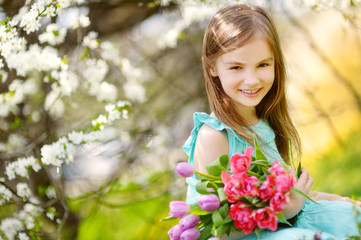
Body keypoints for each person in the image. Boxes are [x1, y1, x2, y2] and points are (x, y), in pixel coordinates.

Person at [182, 3, 361, 240]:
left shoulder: (263, 122)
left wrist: (334, 200)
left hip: (287, 220)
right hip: (253, 235)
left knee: (352, 216)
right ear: (212, 67)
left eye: (263, 65)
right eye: (236, 67)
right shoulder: (214, 137)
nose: (252, 79)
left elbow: (288, 195)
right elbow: (218, 231)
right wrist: (286, 209)